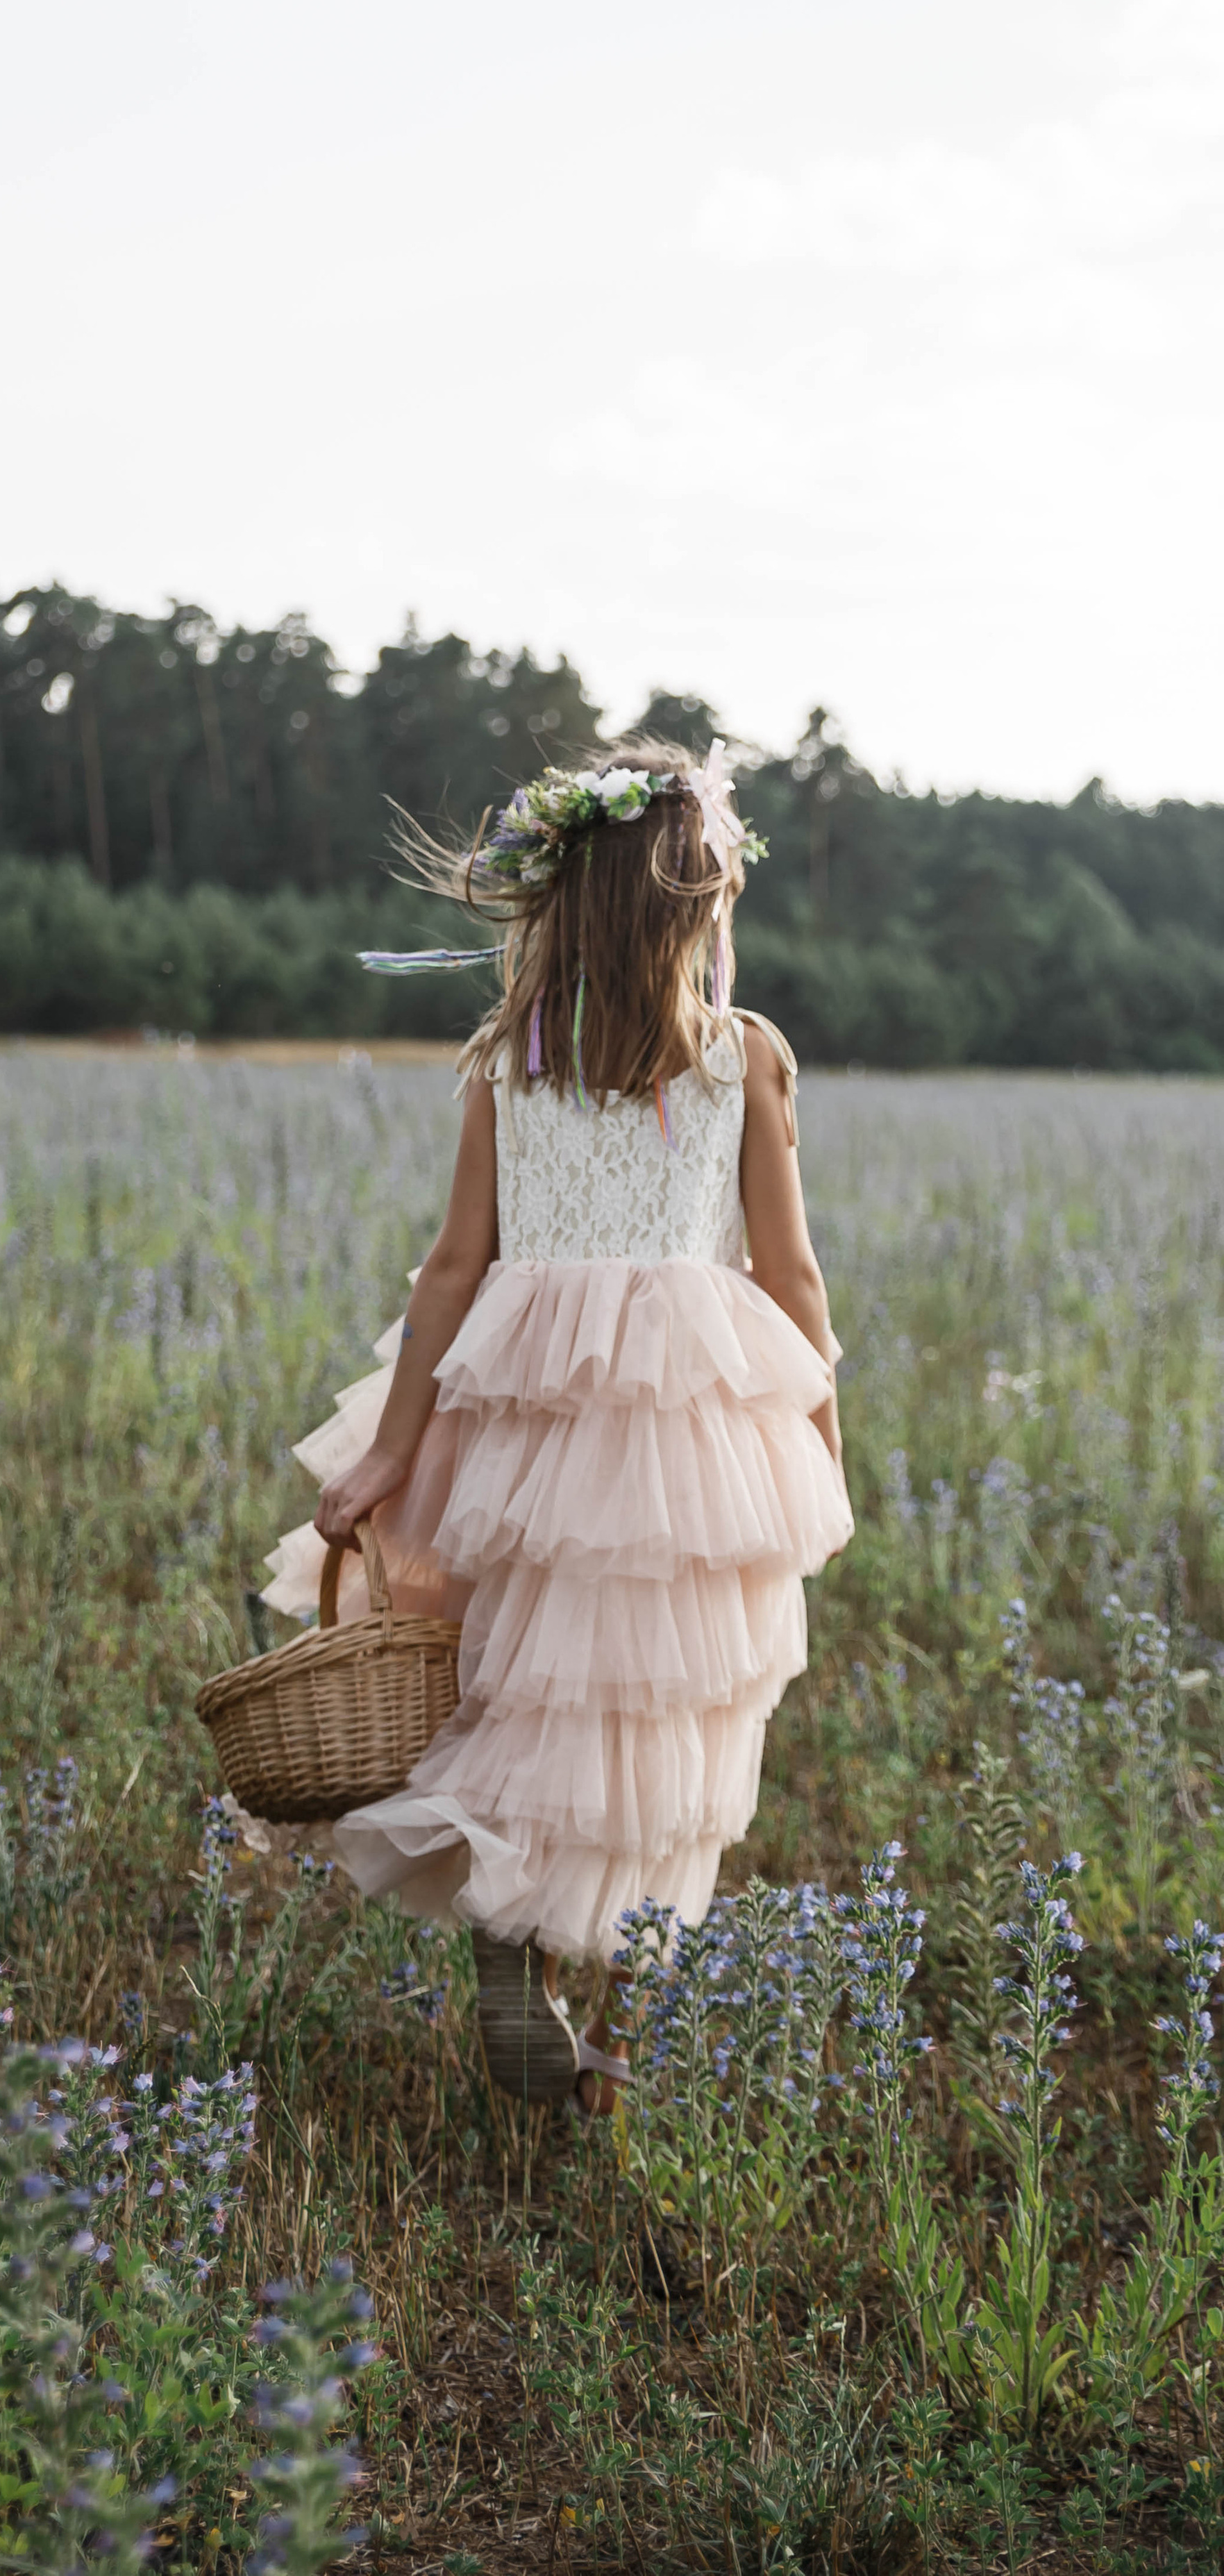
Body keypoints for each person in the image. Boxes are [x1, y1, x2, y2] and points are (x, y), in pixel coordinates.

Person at [260, 738, 853, 2114]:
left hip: (514, 1416)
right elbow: (791, 1276)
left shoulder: (509, 1058)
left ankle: (512, 1949)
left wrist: (394, 1448)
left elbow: (450, 1269)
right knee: (658, 1713)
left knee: (505, 1688)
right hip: (689, 1437)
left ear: (567, 900)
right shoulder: (743, 1057)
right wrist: (822, 1438)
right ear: (692, 908)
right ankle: (605, 2022)